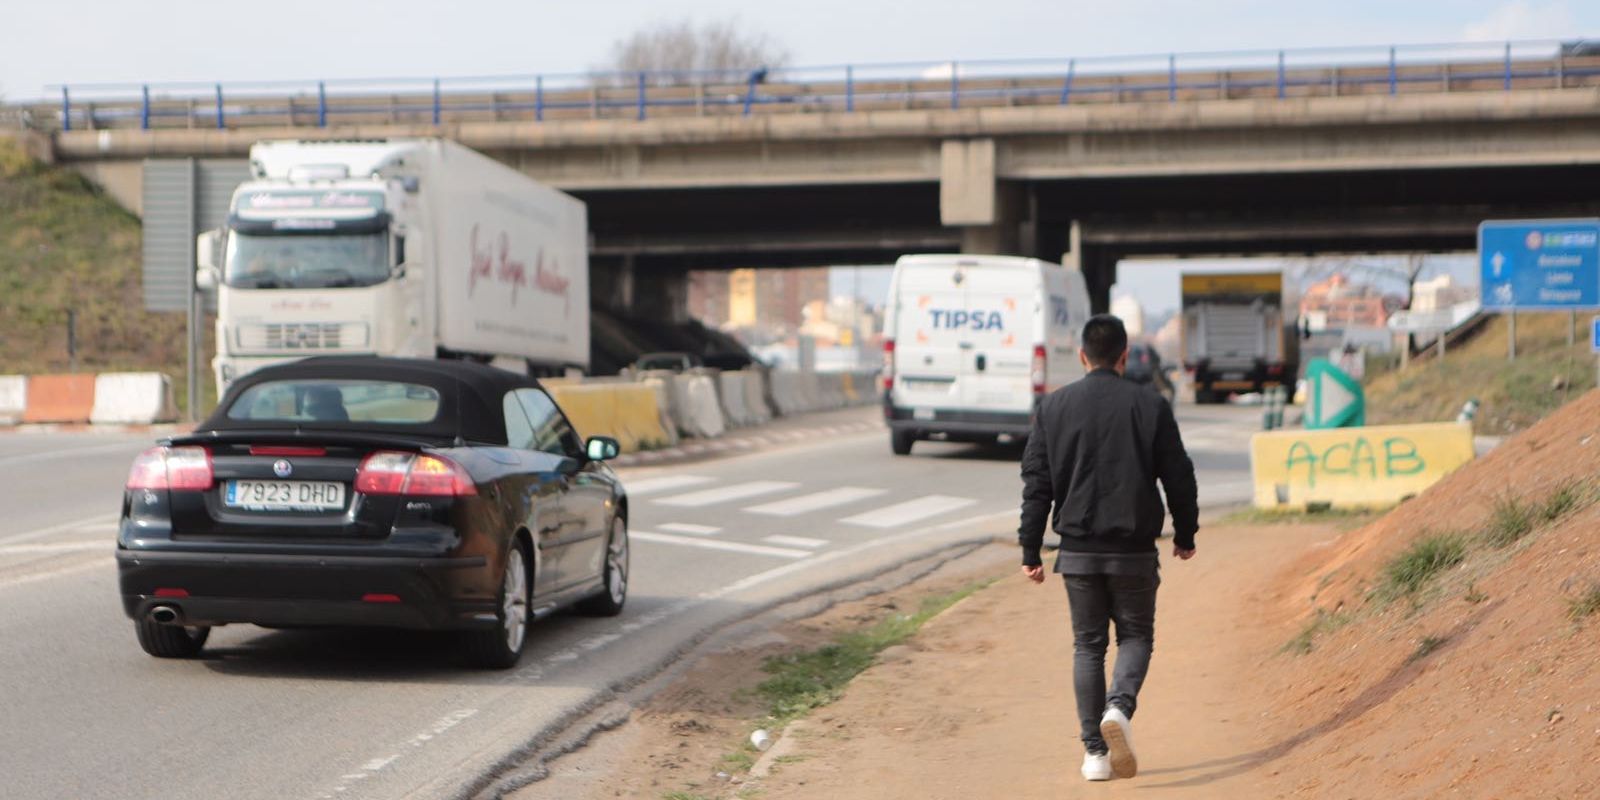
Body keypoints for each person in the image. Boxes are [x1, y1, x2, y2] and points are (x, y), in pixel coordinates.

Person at [1017, 313, 1199, 783]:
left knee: (1087, 646)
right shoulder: (1150, 405)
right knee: (1136, 637)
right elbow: (1178, 474)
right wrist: (1185, 534)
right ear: (1123, 356)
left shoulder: (1052, 408)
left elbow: (1037, 484)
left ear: (1082, 356)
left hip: (1076, 551)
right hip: (1134, 550)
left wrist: (1030, 550)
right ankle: (1118, 708)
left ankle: (1095, 755)